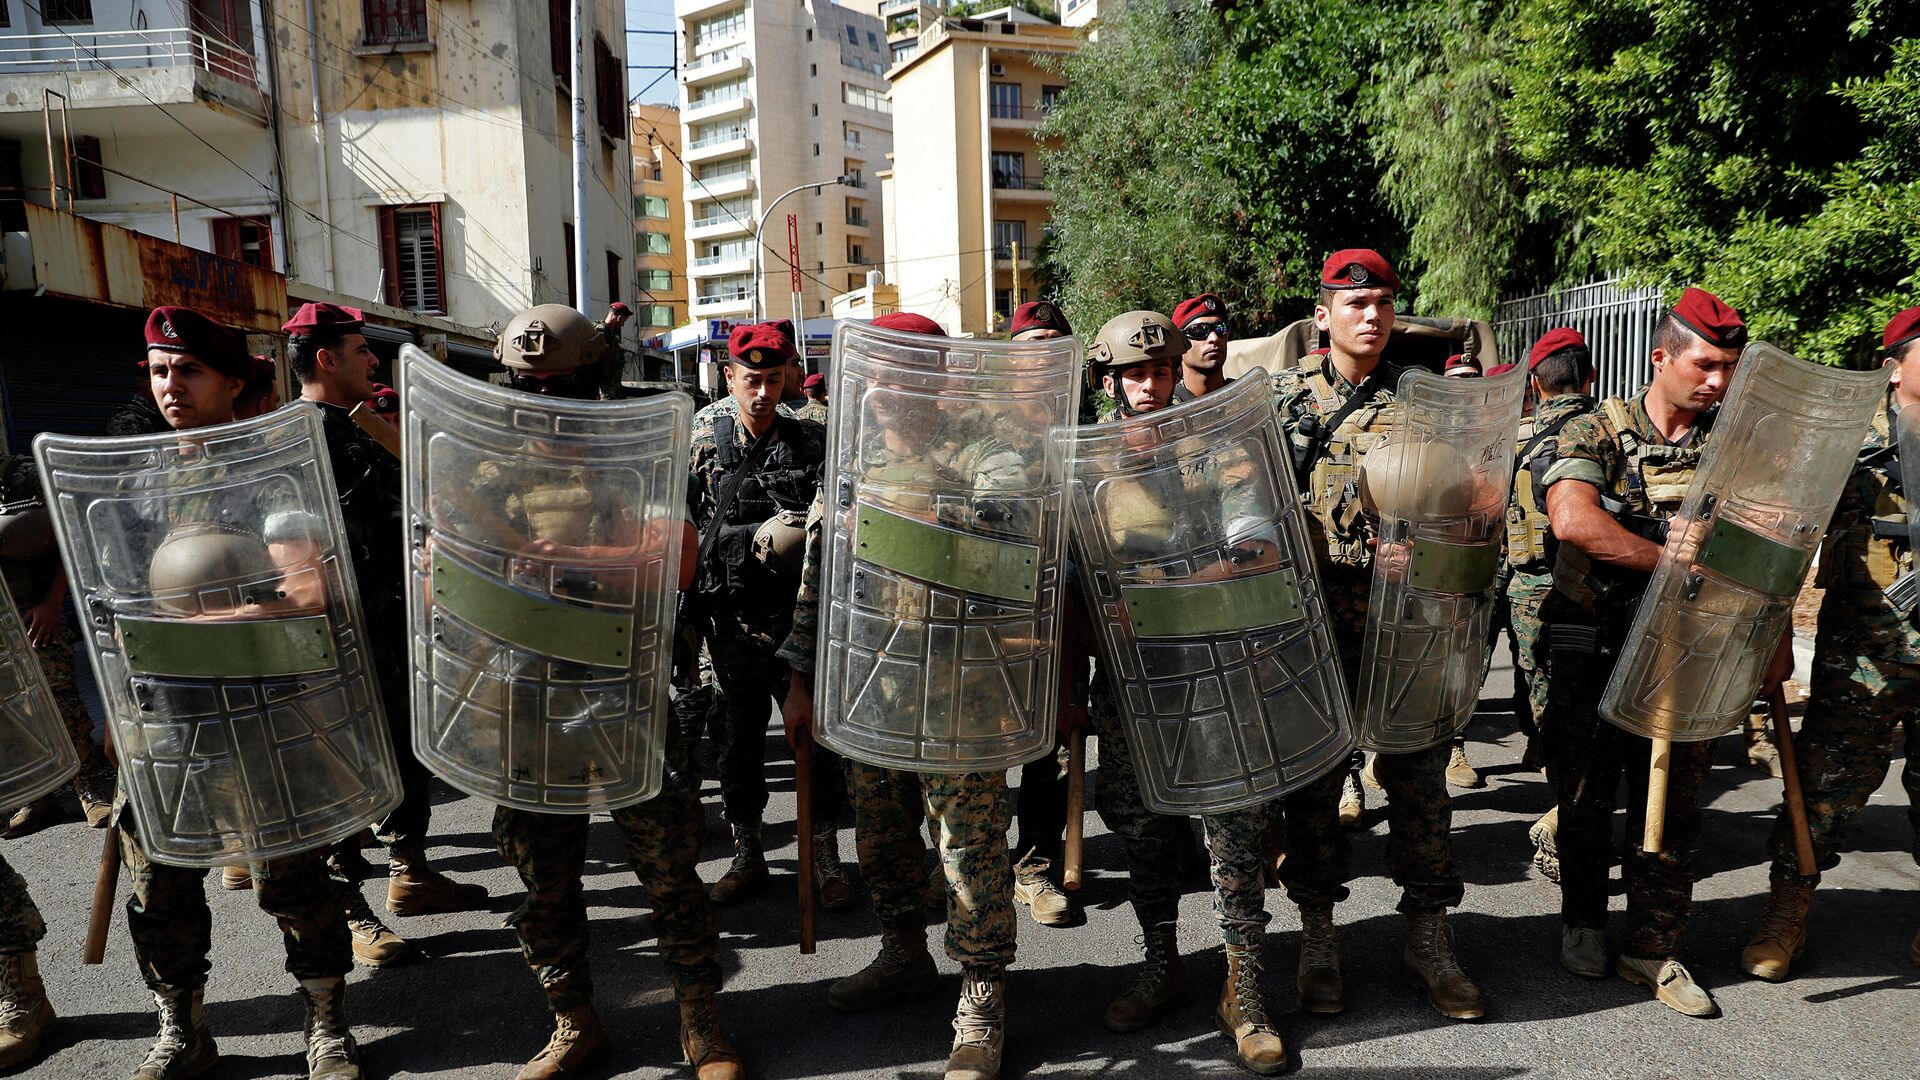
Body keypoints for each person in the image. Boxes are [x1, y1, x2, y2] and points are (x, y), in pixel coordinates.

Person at [477, 305, 744, 1080]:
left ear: (590, 379)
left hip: (623, 690)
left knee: (667, 870)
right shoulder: (482, 467)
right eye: (530, 385)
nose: (544, 399)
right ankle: (572, 1019)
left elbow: (681, 561)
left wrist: (578, 558)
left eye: (558, 383)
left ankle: (701, 1022)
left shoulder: (635, 453)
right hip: (525, 697)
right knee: (543, 879)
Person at [117, 305, 366, 1080]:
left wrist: (212, 619)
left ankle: (326, 1020)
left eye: (188, 370)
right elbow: (114, 596)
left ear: (231, 381)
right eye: (160, 371)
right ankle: (183, 1025)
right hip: (167, 708)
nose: (171, 386)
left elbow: (307, 595)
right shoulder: (133, 480)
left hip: (262, 703)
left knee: (291, 878)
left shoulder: (270, 474)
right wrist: (117, 710)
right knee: (159, 880)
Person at [778, 310, 1022, 1080]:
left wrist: (906, 513)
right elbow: (819, 582)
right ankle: (904, 953)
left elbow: (1008, 534)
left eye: (903, 370)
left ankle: (981, 992)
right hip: (866, 686)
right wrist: (799, 683)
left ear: (937, 377)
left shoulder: (988, 452)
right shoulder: (848, 461)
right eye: (875, 372)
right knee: (881, 839)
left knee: (968, 849)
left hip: (960, 692)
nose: (883, 388)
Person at [1537, 287, 1787, 1017]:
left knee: (1673, 808)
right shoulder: (1596, 431)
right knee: (1584, 795)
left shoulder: (1732, 450)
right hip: (1597, 644)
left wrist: (1767, 634)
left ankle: (1654, 947)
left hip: (1691, 656)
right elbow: (1573, 519)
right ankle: (1583, 920)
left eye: (1730, 369)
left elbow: (1767, 547)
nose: (1718, 382)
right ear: (1661, 357)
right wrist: (1665, 557)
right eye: (1706, 364)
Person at [1067, 309, 1289, 1073]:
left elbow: (1255, 545)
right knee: (1142, 827)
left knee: (1233, 830)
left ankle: (1246, 990)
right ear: (1109, 379)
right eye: (1133, 373)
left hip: (1216, 665)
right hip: (1131, 685)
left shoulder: (1216, 446)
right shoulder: (1084, 464)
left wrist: (1173, 590)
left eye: (1159, 369)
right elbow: (1061, 582)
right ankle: (1162, 961)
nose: (1150, 384)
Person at [1271, 249, 1485, 1022]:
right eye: (1354, 303)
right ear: (1322, 314)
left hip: (1408, 630)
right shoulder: (1277, 403)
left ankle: (1428, 939)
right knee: (1314, 794)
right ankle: (1319, 936)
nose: (1372, 314)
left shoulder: (1427, 405)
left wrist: (1425, 543)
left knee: (1422, 788)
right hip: (1315, 628)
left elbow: (1475, 511)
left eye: (1384, 302)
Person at [284, 302, 487, 962]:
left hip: (395, 625)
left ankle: (411, 872)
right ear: (326, 358)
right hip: (332, 641)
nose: (374, 359)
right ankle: (347, 907)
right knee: (343, 771)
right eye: (361, 349)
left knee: (404, 752)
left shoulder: (365, 427)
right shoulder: (289, 440)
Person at [1739, 306, 1920, 981]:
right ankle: (1786, 914)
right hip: (1860, 659)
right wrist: (1771, 634)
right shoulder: (1850, 443)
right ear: (1893, 366)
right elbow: (1782, 537)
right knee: (1820, 794)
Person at [686, 322, 850, 912]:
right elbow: (683, 530)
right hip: (727, 621)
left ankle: (825, 852)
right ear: (729, 377)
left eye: (773, 380)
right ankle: (748, 851)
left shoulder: (813, 437)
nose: (762, 393)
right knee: (737, 739)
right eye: (750, 380)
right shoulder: (699, 436)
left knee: (816, 738)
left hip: (798, 618)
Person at [1503, 328, 1600, 884]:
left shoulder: (1516, 440)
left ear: (1535, 385)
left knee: (1552, 706)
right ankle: (1574, 818)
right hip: (1609, 591)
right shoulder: (1610, 432)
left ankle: (1566, 820)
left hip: (1533, 594)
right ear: (1589, 376)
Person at [1001, 299, 1077, 929]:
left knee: (1048, 745)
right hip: (992, 609)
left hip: (1057, 610)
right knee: (978, 748)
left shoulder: (1085, 425)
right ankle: (968, 866)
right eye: (1033, 342)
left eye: (1056, 341)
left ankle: (1034, 867)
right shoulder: (983, 423)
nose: (1045, 352)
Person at [1, 455, 115, 836]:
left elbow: (75, 532)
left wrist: (53, 602)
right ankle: (38, 795)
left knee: (58, 699)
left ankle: (92, 786)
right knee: (11, 715)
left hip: (33, 614)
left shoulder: (19, 475)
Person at [1172, 293, 1231, 403]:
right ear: (1180, 344)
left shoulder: (1248, 397)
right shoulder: (1166, 410)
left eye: (1221, 328)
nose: (1214, 338)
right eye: (1199, 330)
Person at [590, 301, 633, 399]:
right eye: (624, 321)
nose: (623, 325)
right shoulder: (601, 331)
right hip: (605, 390)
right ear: (619, 317)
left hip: (612, 388)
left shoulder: (610, 333)